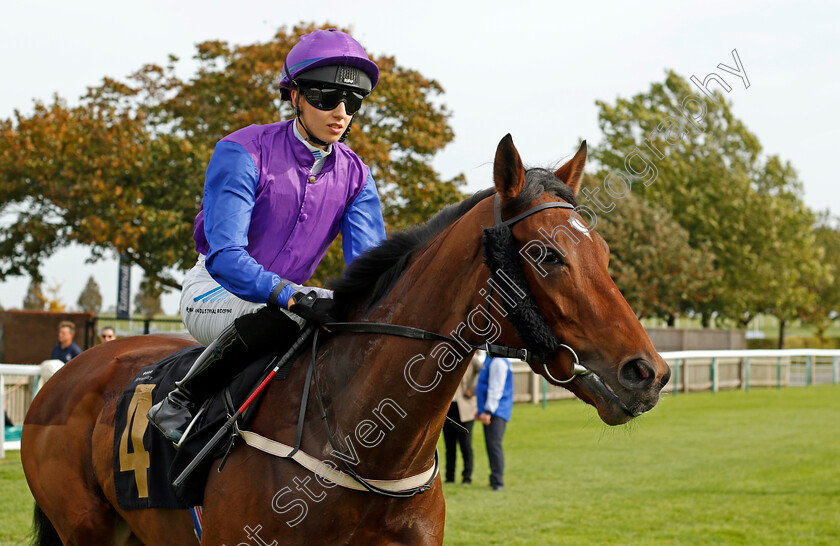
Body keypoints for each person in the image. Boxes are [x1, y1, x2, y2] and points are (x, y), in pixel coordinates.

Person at [148, 28, 386, 443]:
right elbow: (225, 257)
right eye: (325, 97)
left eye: (353, 101)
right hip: (214, 293)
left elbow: (371, 270)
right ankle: (180, 400)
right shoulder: (242, 151)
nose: (341, 111)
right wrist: (292, 295)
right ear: (294, 96)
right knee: (293, 311)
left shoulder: (358, 177)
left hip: (289, 300)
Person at [442, 351, 483, 484]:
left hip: (465, 409)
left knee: (465, 444)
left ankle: (467, 477)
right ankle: (449, 477)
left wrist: (473, 388)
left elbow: (483, 372)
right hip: (448, 409)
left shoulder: (471, 357)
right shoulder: (446, 357)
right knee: (449, 445)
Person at [476, 352, 514, 491]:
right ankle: (494, 479)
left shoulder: (498, 362)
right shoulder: (490, 359)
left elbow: (495, 389)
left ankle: (498, 482)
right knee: (491, 446)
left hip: (496, 412)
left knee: (494, 446)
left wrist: (488, 411)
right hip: (492, 411)